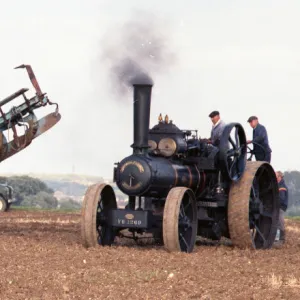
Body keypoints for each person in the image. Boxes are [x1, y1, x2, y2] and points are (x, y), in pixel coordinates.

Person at [275, 171, 289, 245]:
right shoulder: (278, 185)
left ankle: (281, 239)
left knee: (280, 222)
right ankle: (277, 239)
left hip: (280, 207)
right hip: (278, 207)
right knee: (277, 222)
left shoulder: (282, 187)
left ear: (279, 177)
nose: (275, 178)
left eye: (276, 177)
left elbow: (281, 199)